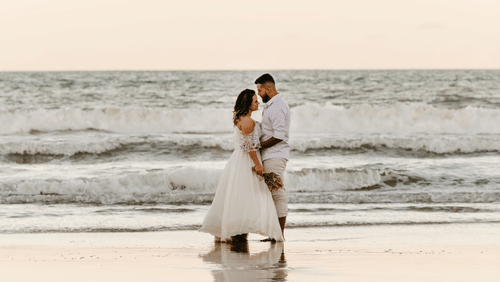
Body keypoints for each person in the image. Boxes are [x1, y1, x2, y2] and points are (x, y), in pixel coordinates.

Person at [199, 89, 283, 242]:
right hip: (246, 160)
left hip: (238, 159)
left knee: (238, 195)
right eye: (255, 101)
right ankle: (238, 231)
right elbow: (250, 146)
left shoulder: (242, 119)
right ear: (248, 104)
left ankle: (236, 230)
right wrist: (258, 165)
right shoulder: (247, 121)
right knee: (245, 196)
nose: (258, 103)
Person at [255, 73, 291, 239]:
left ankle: (279, 235)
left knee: (277, 192)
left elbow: (279, 135)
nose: (259, 94)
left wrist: (259, 145)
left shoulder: (276, 107)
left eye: (260, 90)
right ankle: (274, 233)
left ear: (268, 88)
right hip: (270, 155)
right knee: (272, 193)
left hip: (275, 155)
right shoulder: (271, 105)